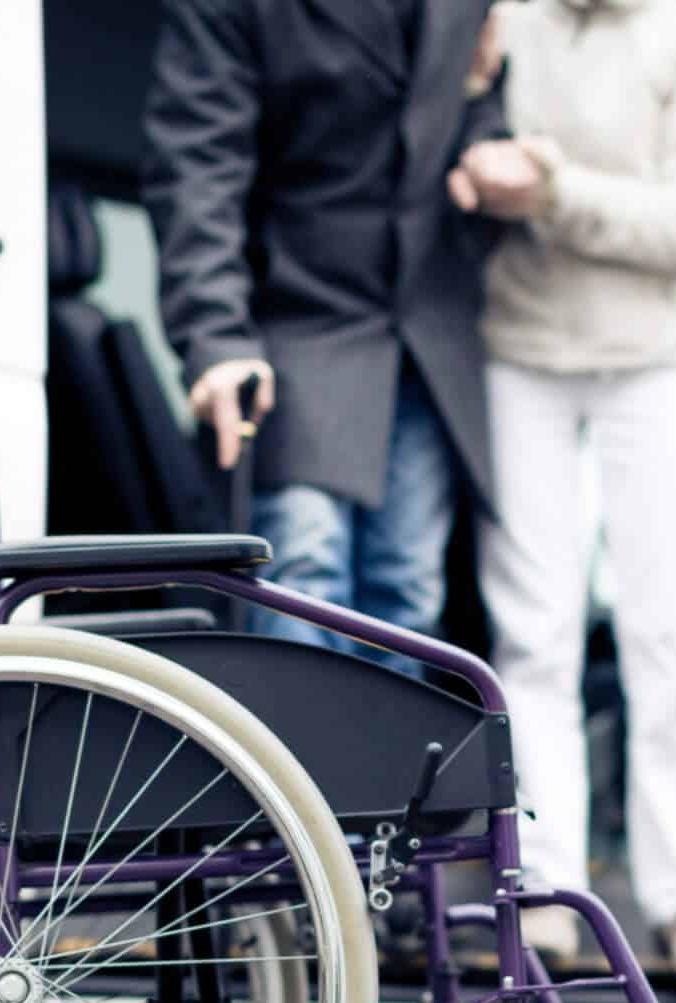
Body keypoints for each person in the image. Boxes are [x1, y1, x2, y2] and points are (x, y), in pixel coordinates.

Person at [455, 0, 676, 981]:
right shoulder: (500, 22)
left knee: (665, 635)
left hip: (658, 363)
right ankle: (542, 888)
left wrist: (552, 191)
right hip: (516, 352)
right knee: (529, 637)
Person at [142, 0, 542, 668]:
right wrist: (216, 338)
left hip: (426, 333)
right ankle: (295, 773)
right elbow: (198, 169)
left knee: (408, 591)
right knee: (301, 568)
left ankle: (381, 776)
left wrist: (488, 146)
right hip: (300, 319)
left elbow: (468, 117)